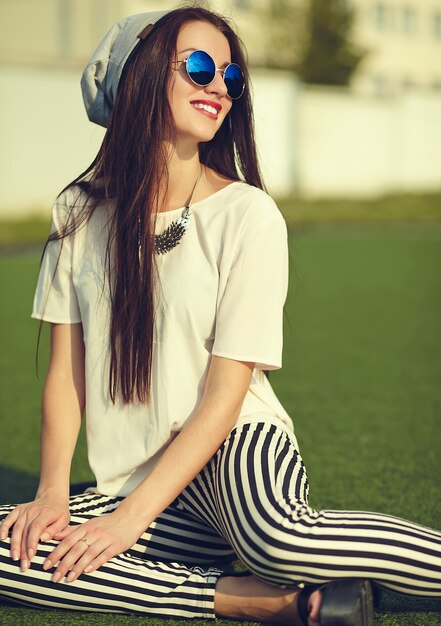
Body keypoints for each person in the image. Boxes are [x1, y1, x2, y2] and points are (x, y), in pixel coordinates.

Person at [0, 6, 440, 625]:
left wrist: (128, 522)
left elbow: (225, 396)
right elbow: (66, 379)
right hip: (139, 482)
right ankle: (269, 602)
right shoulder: (77, 213)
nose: (219, 88)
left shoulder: (249, 215)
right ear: (138, 74)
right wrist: (51, 495)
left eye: (230, 78)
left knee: (279, 540)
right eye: (201, 66)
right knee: (12, 542)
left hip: (235, 448)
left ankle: (275, 567)